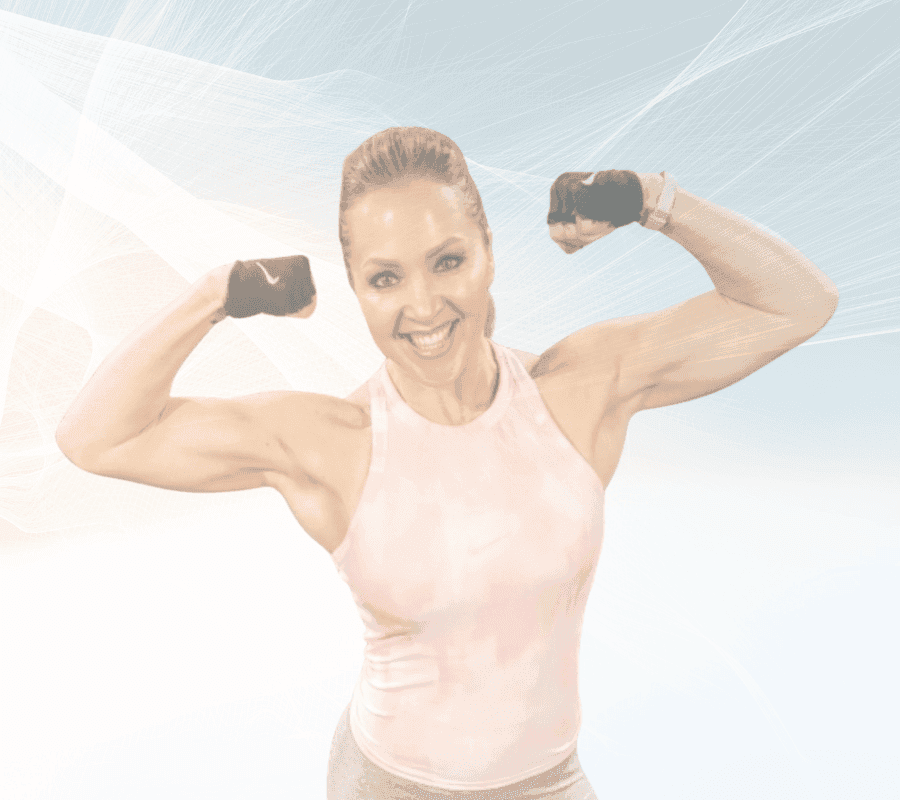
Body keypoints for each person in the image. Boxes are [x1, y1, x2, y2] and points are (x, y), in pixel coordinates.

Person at [55, 127, 839, 799]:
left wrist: (653, 200)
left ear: (490, 254)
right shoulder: (332, 442)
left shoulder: (577, 392)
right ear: (357, 290)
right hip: (387, 783)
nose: (424, 306)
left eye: (448, 261)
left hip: (549, 781)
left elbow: (797, 303)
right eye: (386, 278)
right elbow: (95, 438)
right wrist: (216, 293)